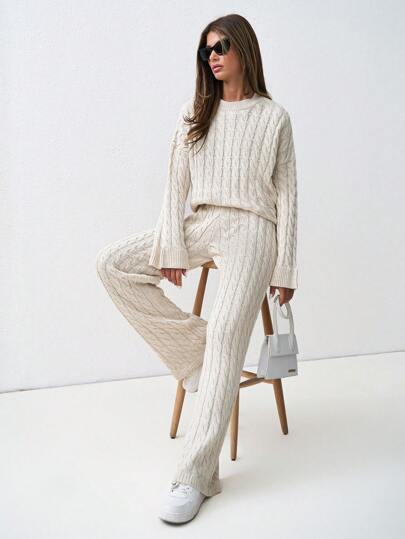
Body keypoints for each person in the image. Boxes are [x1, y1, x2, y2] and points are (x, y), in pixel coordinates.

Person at [96, 13, 298, 524]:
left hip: (254, 228)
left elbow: (289, 198)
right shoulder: (195, 112)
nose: (213, 56)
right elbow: (174, 186)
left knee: (229, 332)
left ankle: (195, 475)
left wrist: (286, 269)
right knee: (113, 264)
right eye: (207, 49)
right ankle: (198, 355)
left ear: (244, 49)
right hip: (202, 222)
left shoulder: (274, 117)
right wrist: (169, 246)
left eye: (222, 46)